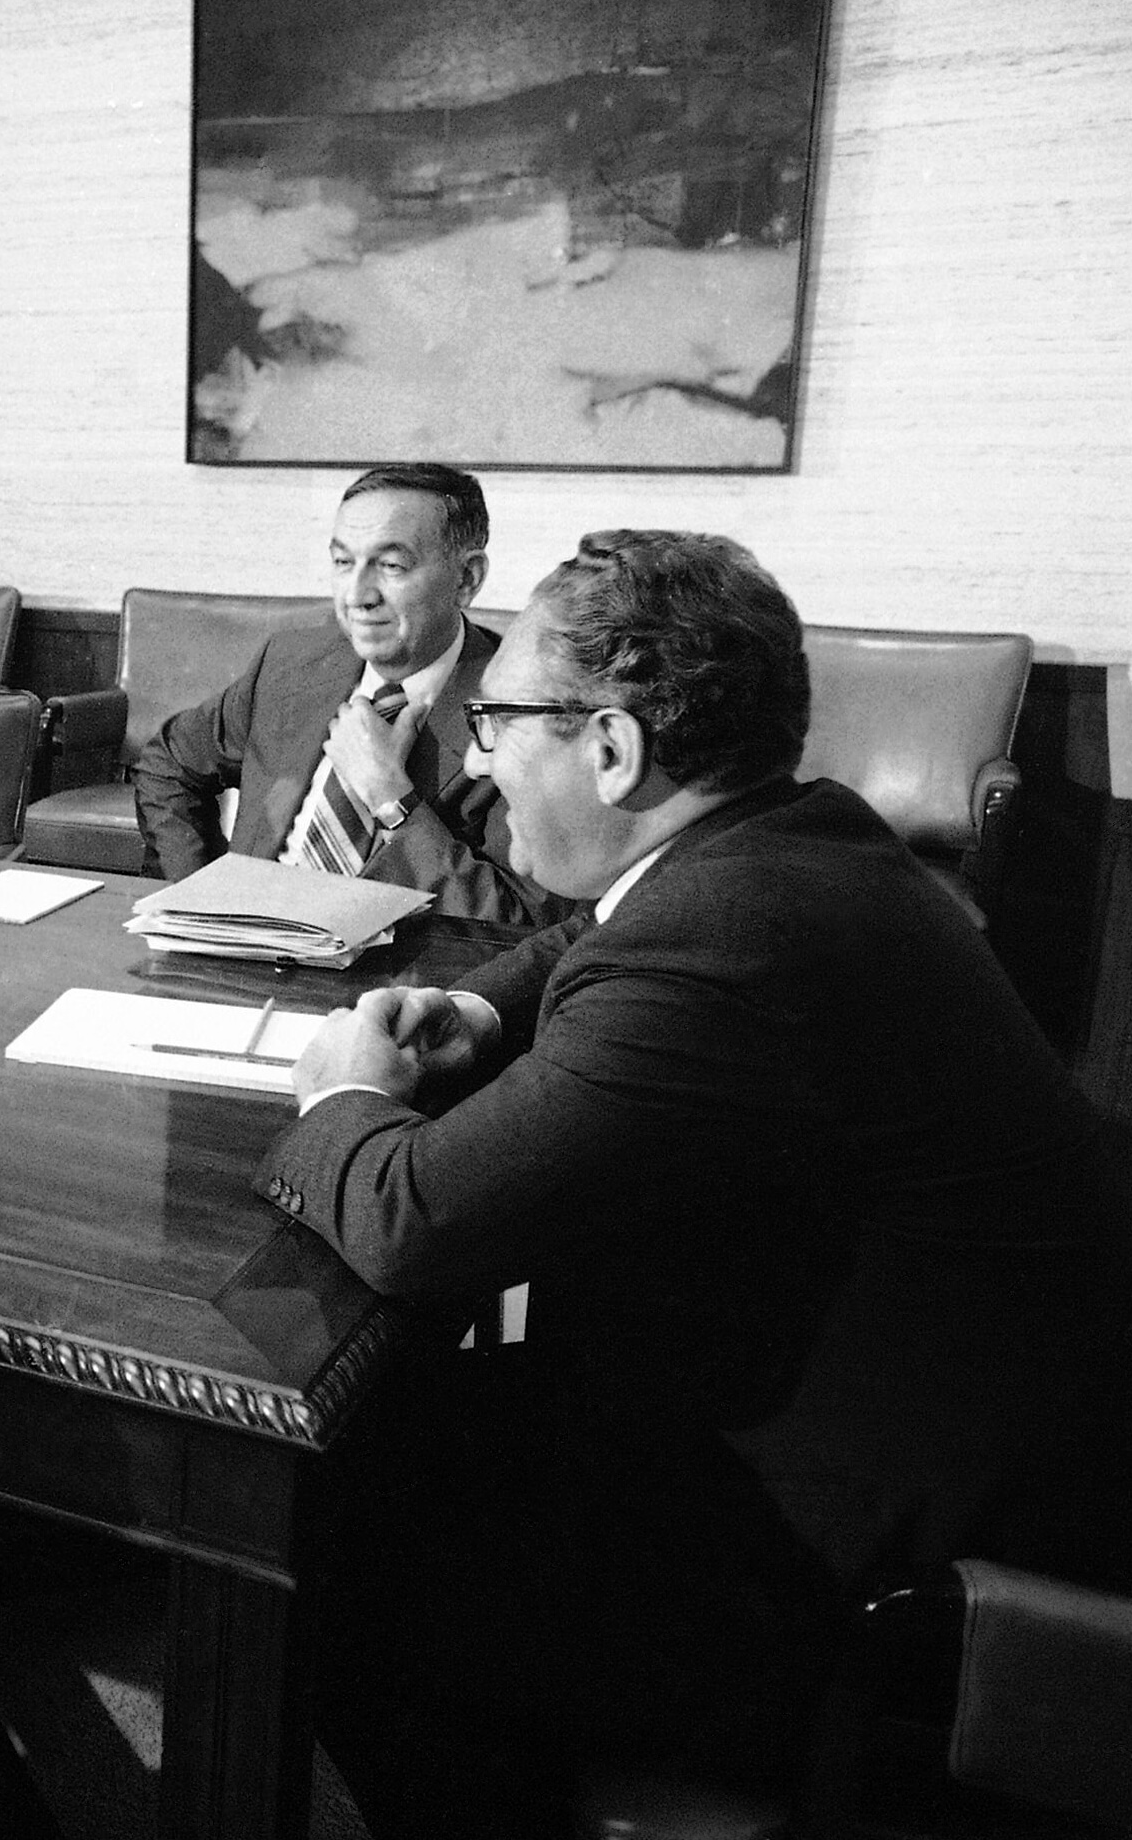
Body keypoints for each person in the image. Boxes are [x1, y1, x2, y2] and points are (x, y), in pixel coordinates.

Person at [263, 530, 1122, 1833]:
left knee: (342, 1590)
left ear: (609, 747)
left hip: (874, 1525)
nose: (481, 756)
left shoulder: (728, 931)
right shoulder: (795, 830)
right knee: (405, 1426)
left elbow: (409, 1217)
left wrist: (342, 1087)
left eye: (496, 719)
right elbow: (585, 932)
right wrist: (476, 1013)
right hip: (941, 1397)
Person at [132, 462, 562, 926]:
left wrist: (391, 800)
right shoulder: (291, 665)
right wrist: (205, 896)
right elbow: (169, 763)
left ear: (467, 579)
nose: (357, 595)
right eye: (343, 562)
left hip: (393, 987)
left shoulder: (521, 709)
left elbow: (519, 920)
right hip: (243, 957)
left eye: (391, 566)